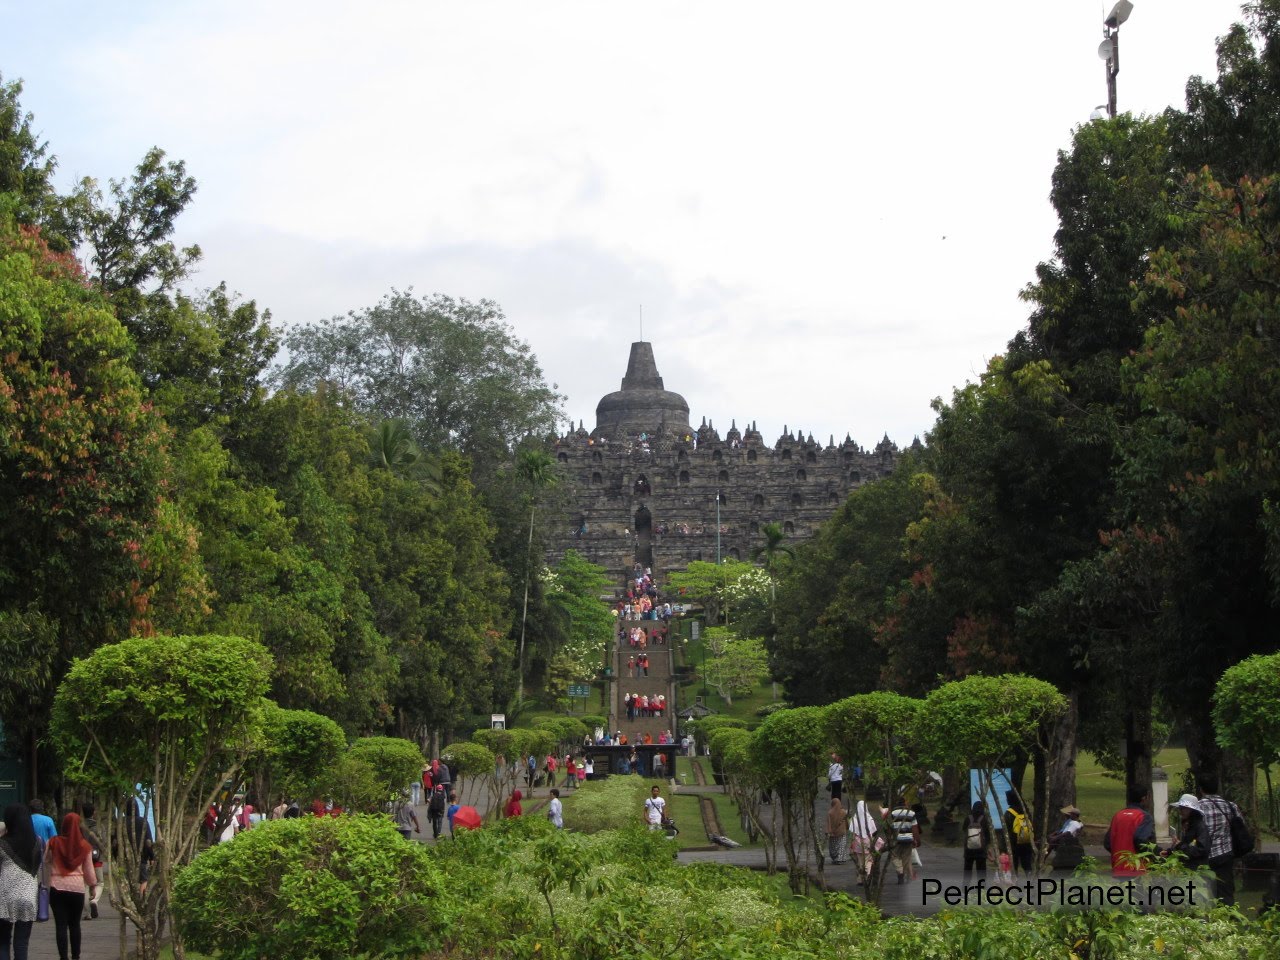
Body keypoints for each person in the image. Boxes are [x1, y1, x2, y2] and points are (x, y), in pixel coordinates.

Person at [43, 812, 96, 960]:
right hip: (77, 889)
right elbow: (89, 870)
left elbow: (45, 860)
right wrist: (92, 885)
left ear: (63, 825)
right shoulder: (85, 846)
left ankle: (63, 957)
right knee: (74, 924)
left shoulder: (53, 842)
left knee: (60, 925)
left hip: (56, 887)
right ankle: (76, 956)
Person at [0, 804, 41, 960]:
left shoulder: (2, 844)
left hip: (5, 899)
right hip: (28, 898)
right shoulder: (38, 843)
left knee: (3, 942)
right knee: (22, 943)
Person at [1197, 774, 1243, 906]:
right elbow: (1240, 825)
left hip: (1205, 855)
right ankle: (1228, 917)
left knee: (1204, 890)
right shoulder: (1230, 806)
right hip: (1225, 853)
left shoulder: (1198, 808)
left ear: (1201, 789)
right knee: (1225, 889)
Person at [1103, 785, 1156, 877]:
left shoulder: (1118, 815)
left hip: (1118, 868)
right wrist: (1155, 853)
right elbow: (1141, 840)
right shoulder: (1144, 816)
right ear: (1144, 798)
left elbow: (1107, 842)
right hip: (1138, 868)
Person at [1163, 794, 1211, 867]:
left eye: (1184, 808)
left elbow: (1201, 850)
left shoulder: (1200, 827)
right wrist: (1170, 851)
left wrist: (1180, 845)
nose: (1181, 811)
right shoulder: (1189, 825)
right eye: (1180, 808)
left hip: (1197, 869)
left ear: (1193, 810)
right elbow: (1186, 845)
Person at [78, 804, 105, 921]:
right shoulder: (99, 827)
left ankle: (87, 913)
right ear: (94, 812)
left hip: (83, 858)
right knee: (100, 882)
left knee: (84, 885)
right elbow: (103, 842)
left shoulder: (79, 827)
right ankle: (95, 900)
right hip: (96, 858)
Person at [886, 795, 919, 884]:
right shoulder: (911, 813)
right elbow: (915, 828)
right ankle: (903, 875)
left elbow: (889, 828)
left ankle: (900, 872)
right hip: (908, 839)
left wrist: (889, 839)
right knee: (906, 858)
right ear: (905, 803)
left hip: (896, 840)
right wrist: (917, 840)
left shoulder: (893, 813)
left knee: (895, 857)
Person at [1002, 791, 1034, 876]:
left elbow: (1006, 829)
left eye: (1007, 798)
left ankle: (1015, 884)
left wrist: (1004, 846)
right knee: (1027, 864)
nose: (1007, 800)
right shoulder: (1025, 810)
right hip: (1026, 841)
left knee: (1014, 865)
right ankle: (1031, 883)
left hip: (1014, 843)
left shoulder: (1009, 813)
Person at [848, 800, 880, 882]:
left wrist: (851, 844)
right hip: (868, 842)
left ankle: (860, 879)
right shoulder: (869, 818)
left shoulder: (855, 819)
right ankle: (868, 876)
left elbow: (853, 832)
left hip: (857, 842)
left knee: (860, 861)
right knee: (868, 860)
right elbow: (874, 831)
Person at [962, 800, 991, 879]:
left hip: (969, 849)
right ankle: (982, 889)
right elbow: (988, 834)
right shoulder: (984, 819)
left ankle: (965, 888)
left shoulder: (968, 818)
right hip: (981, 850)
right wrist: (987, 846)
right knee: (981, 871)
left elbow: (964, 829)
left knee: (967, 870)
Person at [826, 796, 848, 864]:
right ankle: (841, 858)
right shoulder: (843, 812)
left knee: (833, 846)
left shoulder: (830, 813)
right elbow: (846, 821)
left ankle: (835, 858)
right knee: (841, 845)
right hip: (842, 832)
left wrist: (828, 831)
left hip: (833, 833)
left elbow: (828, 823)